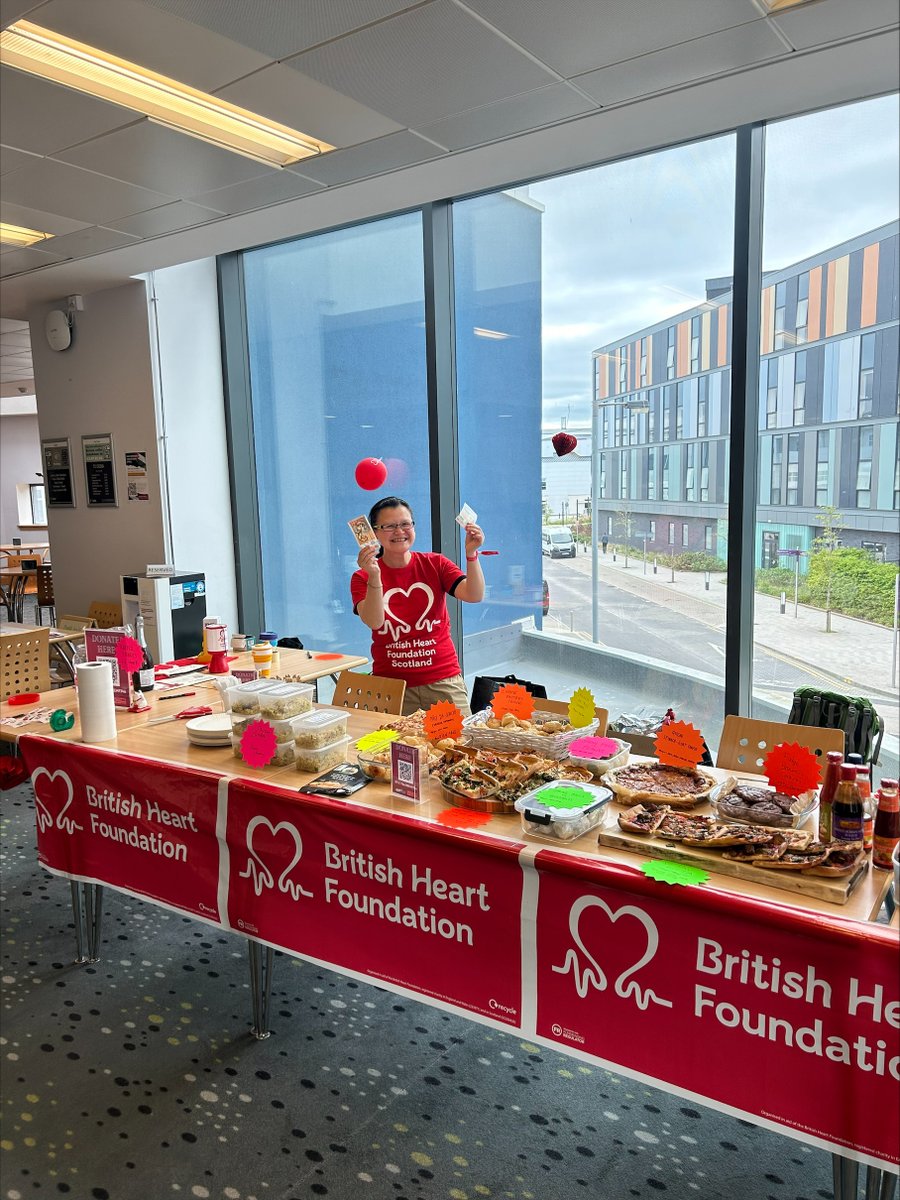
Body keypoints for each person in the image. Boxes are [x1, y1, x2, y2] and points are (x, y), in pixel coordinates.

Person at [351, 496, 484, 716]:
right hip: (392, 687)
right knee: (393, 749)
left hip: (443, 681)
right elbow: (375, 621)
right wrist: (374, 576)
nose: (399, 531)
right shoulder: (361, 576)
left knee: (458, 747)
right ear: (373, 533)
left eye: (405, 524)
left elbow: (474, 594)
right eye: (389, 526)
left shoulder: (435, 563)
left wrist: (471, 554)